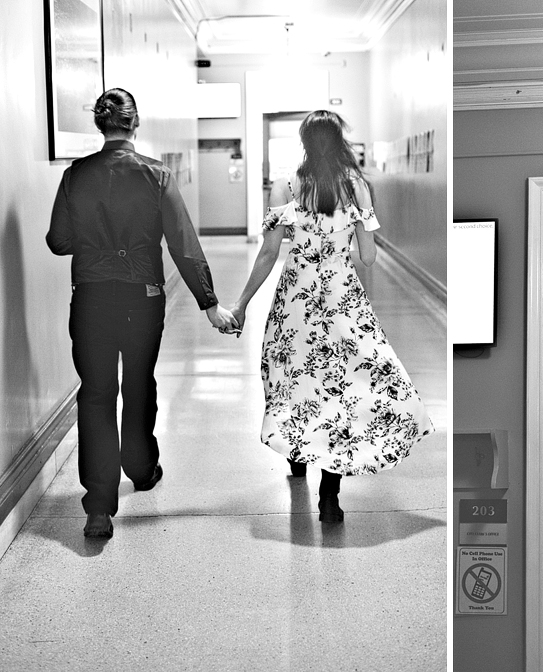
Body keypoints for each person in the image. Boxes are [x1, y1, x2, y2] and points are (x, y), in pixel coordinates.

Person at [46, 88, 237, 539]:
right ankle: (141, 466)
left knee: (95, 393)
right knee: (137, 382)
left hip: (91, 296)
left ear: (100, 125)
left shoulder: (76, 175)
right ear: (136, 124)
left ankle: (98, 508)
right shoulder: (156, 175)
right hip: (143, 298)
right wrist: (209, 303)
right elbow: (183, 245)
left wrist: (91, 238)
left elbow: (58, 240)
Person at [228, 110, 433, 523]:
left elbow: (269, 253)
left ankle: (298, 458)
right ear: (339, 141)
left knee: (292, 377)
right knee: (342, 389)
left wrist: (242, 304)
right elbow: (370, 257)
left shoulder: (285, 186)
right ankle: (329, 497)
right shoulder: (357, 187)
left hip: (296, 300)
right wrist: (337, 251)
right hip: (342, 299)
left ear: (304, 143)